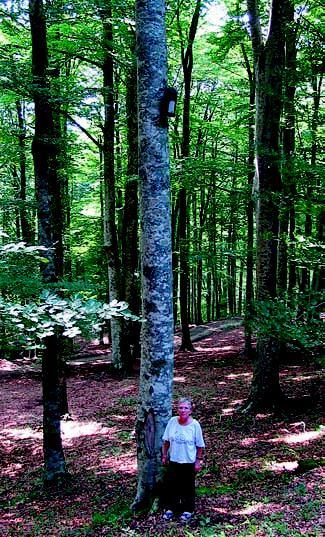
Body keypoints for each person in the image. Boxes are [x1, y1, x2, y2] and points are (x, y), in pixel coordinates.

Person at [161, 397, 205, 521]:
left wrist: (198, 461)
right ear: (177, 409)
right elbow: (166, 441)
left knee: (187, 486)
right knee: (171, 485)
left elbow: (200, 445)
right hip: (174, 460)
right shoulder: (172, 421)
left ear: (190, 410)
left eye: (186, 408)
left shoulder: (195, 425)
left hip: (189, 461)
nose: (183, 410)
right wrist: (164, 456)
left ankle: (188, 510)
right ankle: (170, 509)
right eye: (180, 407)